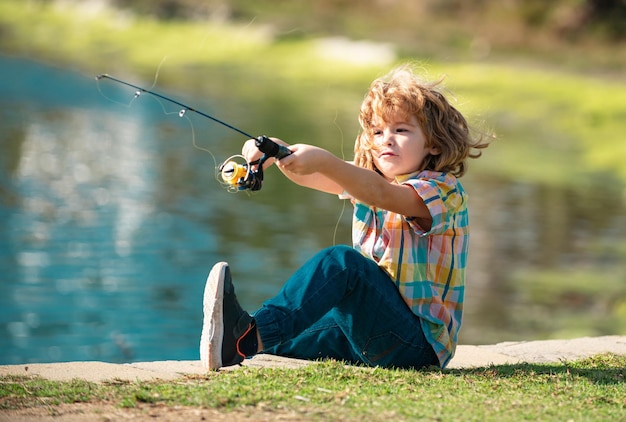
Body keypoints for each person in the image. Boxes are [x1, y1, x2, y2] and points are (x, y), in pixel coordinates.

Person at [200, 64, 489, 371]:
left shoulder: (442, 189)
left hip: (416, 345)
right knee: (284, 335)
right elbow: (314, 175)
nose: (386, 140)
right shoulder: (369, 181)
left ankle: (243, 334)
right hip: (370, 330)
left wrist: (325, 160)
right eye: (377, 132)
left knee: (344, 265)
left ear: (433, 142)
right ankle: (238, 340)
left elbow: (380, 193)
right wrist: (275, 153)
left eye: (401, 130)